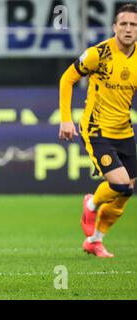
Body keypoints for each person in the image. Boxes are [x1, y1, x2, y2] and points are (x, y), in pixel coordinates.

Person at [59, 3, 137, 258]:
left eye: (133, 24)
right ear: (114, 27)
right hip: (96, 129)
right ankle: (91, 203)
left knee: (126, 193)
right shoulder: (98, 54)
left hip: (124, 130)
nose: (128, 29)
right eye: (123, 23)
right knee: (121, 184)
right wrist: (66, 119)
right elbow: (67, 78)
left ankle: (95, 240)